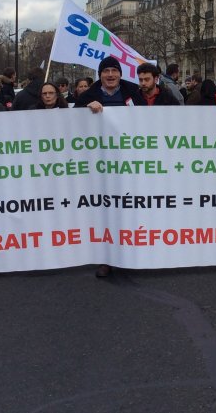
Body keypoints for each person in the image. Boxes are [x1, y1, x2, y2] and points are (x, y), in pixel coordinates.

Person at [75, 56, 144, 277]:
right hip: (101, 164)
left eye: (115, 70)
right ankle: (106, 257)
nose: (111, 75)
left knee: (131, 206)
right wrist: (86, 109)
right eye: (106, 71)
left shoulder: (135, 93)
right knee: (105, 209)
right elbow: (73, 123)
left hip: (131, 161)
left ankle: (133, 251)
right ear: (100, 75)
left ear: (121, 74)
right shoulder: (88, 96)